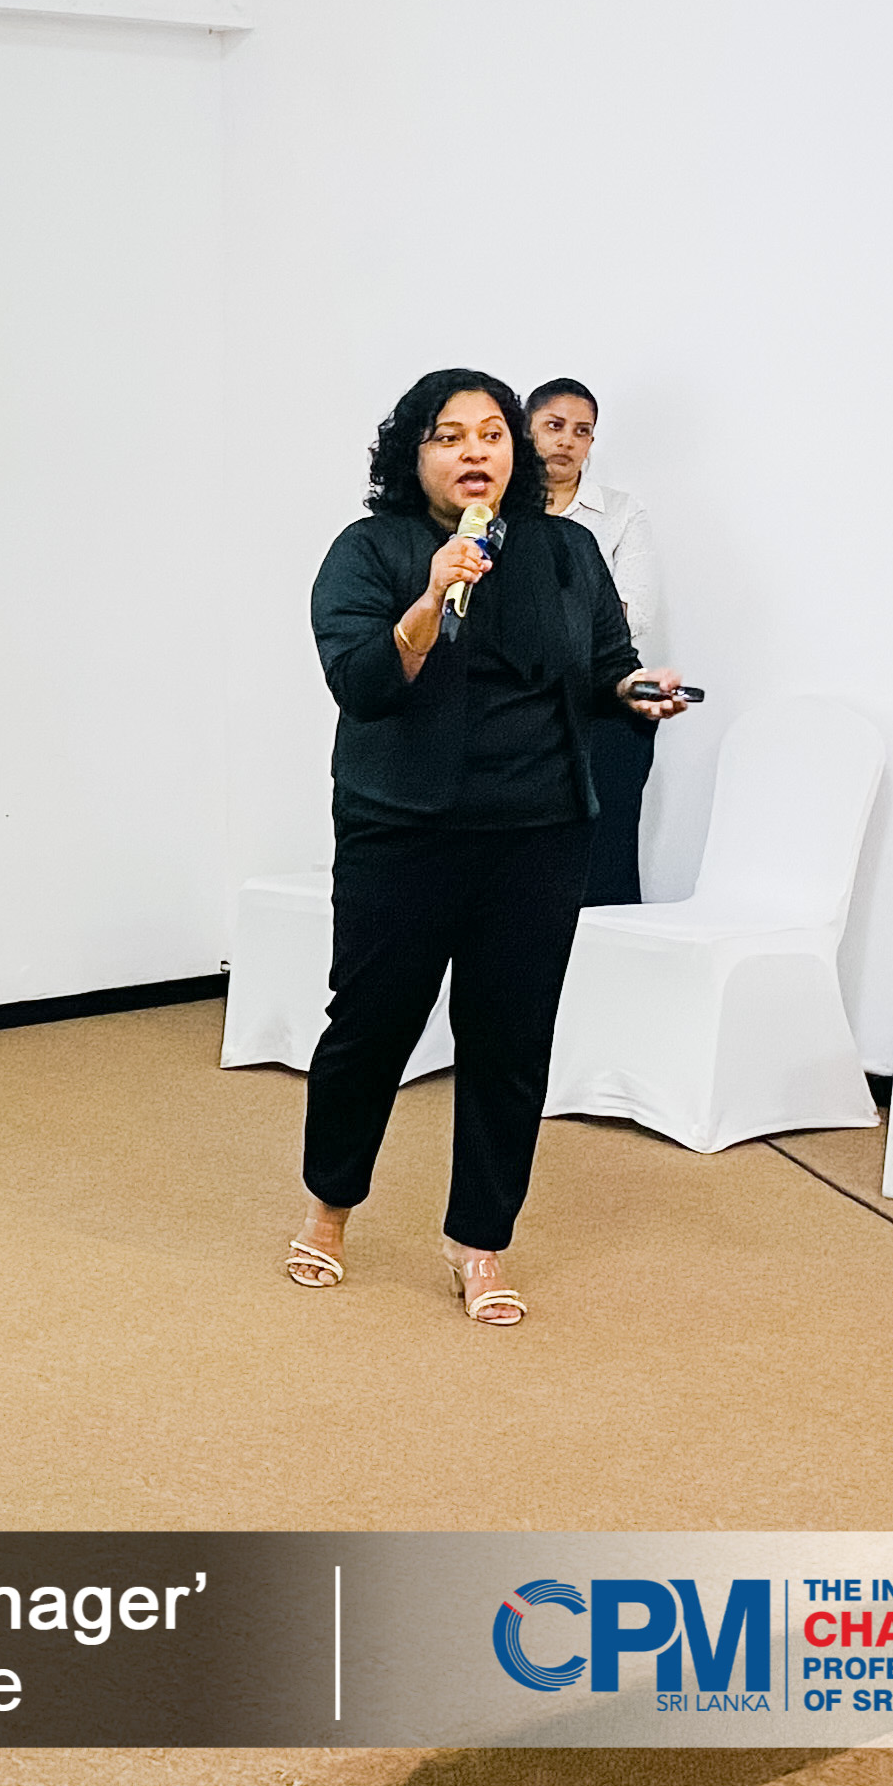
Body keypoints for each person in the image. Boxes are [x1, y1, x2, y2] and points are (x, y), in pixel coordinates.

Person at [281, 369, 683, 1325]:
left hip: (536, 832)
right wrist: (432, 594)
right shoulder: (368, 550)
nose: (475, 452)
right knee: (370, 1028)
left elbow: (604, 666)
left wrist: (634, 691)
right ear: (412, 454)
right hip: (402, 830)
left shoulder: (566, 549)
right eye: (450, 435)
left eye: (492, 434)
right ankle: (329, 1209)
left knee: (509, 1041)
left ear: (514, 451)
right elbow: (363, 682)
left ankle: (479, 1241)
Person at [526, 378, 667, 907]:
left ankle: (608, 948)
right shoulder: (494, 512)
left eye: (582, 431)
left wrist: (545, 625)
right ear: (526, 431)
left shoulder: (622, 513)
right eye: (554, 426)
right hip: (523, 698)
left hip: (602, 693)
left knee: (604, 857)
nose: (567, 440)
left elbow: (631, 614)